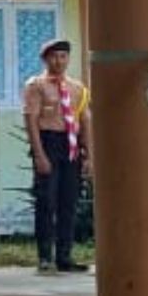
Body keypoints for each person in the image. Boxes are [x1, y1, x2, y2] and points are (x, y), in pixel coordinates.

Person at [23, 39, 92, 274]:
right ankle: (45, 256)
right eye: (54, 56)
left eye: (63, 56)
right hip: (48, 142)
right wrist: (39, 154)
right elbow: (31, 120)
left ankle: (65, 255)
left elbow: (84, 121)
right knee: (47, 201)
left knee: (68, 203)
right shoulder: (36, 85)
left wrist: (88, 155)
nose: (59, 61)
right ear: (45, 59)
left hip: (70, 146)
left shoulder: (77, 88)